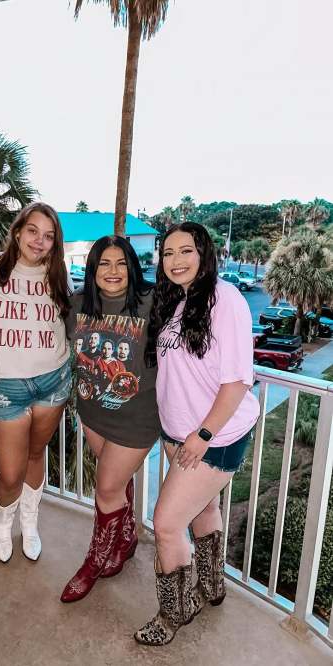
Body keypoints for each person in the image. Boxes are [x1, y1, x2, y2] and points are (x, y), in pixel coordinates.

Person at [134, 222, 260, 646]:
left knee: (166, 523)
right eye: (168, 253)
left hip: (212, 438)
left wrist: (203, 434)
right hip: (178, 433)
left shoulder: (226, 299)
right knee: (204, 509)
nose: (176, 261)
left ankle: (174, 613)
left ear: (204, 253)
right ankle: (211, 585)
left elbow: (237, 381)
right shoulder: (177, 300)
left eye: (185, 250)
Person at [0, 202, 71, 563]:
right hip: (6, 388)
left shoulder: (58, 275)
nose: (39, 241)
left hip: (53, 382)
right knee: (10, 473)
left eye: (49, 236)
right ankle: (3, 522)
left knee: (35, 454)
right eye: (32, 231)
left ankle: (29, 522)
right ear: (17, 231)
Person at [60, 235, 160, 602]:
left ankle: (94, 562)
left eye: (121, 263)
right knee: (116, 482)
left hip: (137, 417)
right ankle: (126, 537)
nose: (113, 271)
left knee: (105, 488)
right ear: (92, 269)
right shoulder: (78, 303)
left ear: (132, 267)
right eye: (104, 263)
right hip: (92, 411)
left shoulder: (154, 302)